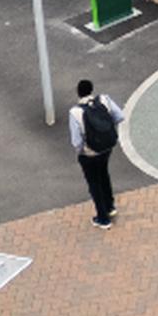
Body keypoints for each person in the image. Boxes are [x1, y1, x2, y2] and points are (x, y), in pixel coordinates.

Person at [69, 79, 126, 229]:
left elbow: (76, 141)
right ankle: (110, 207)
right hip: (106, 148)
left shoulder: (75, 112)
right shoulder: (104, 100)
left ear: (78, 93)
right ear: (91, 89)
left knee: (94, 183)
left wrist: (82, 152)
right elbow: (120, 116)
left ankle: (103, 218)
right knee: (104, 175)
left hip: (89, 154)